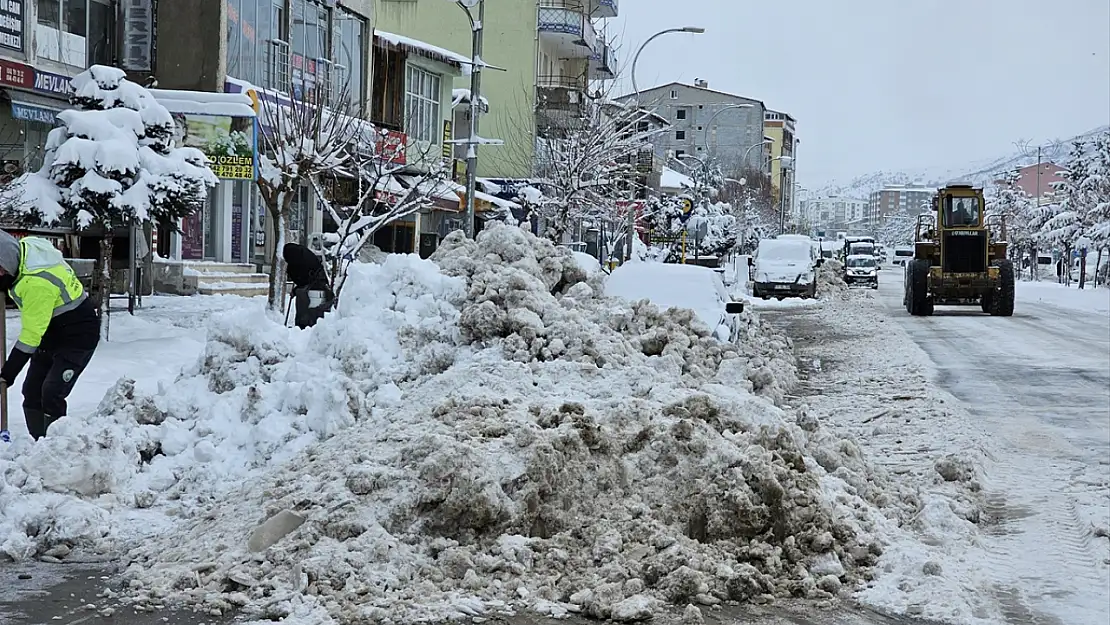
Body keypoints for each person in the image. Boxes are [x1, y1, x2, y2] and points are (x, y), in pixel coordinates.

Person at [0, 230, 100, 440]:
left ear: (8, 262)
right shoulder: (26, 250)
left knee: (52, 392)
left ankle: (57, 447)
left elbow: (31, 336)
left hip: (78, 336)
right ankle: (39, 444)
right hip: (52, 333)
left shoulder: (36, 284)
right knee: (31, 391)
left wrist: (8, 373)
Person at [282, 243, 334, 329]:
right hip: (318, 285)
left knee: (308, 307)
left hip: (314, 288)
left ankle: (305, 327)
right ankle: (309, 327)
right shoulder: (302, 256)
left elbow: (303, 281)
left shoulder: (300, 261)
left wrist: (296, 290)